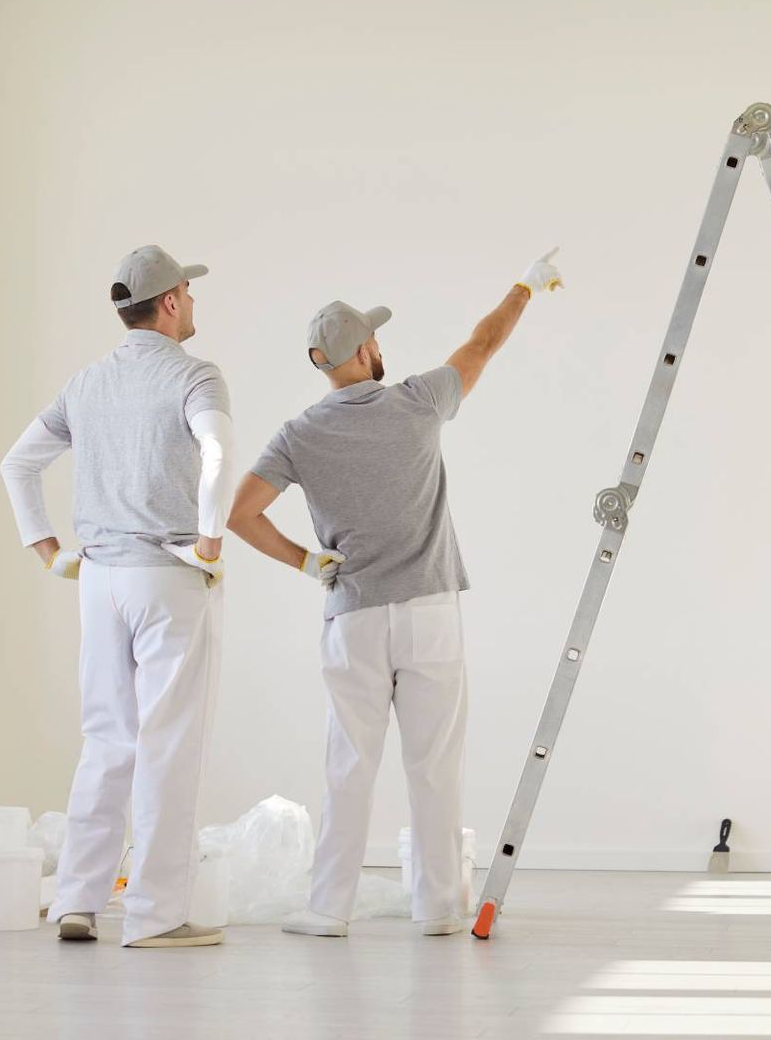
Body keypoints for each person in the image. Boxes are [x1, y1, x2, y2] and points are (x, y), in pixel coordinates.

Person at [227, 250, 564, 937]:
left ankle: (327, 909)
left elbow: (239, 513)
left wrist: (303, 560)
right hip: (431, 613)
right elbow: (483, 342)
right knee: (433, 763)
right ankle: (437, 907)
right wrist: (525, 284)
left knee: (349, 764)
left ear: (323, 361)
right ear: (368, 350)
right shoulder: (417, 401)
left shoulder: (299, 434)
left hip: (352, 616)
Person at [0, 245, 233, 949]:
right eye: (187, 292)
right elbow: (219, 454)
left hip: (98, 580)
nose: (192, 302)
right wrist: (212, 541)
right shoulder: (196, 374)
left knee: (106, 740)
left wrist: (47, 549)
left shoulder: (87, 383)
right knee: (168, 743)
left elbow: (17, 464)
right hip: (167, 573)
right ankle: (158, 913)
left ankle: (77, 899)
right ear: (168, 302)